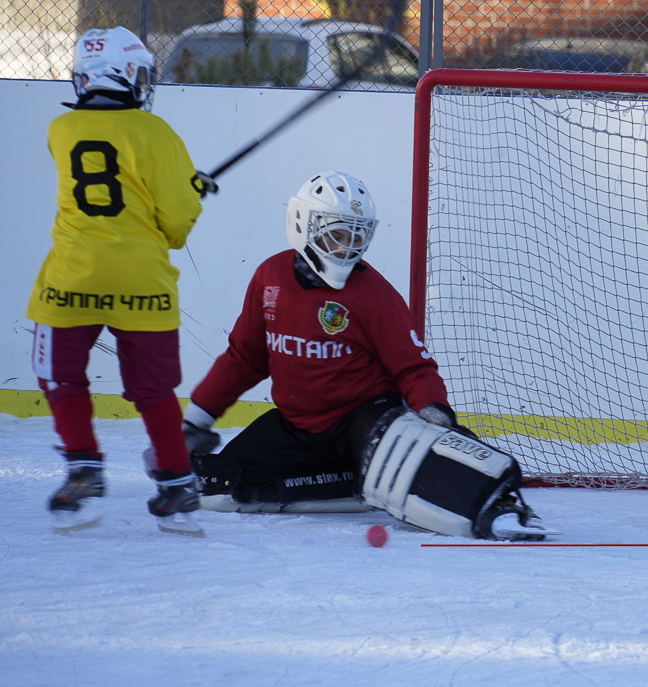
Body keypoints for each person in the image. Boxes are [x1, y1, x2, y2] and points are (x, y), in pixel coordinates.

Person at [183, 171, 552, 540]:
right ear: (303, 223)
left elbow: (414, 366)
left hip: (363, 420)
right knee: (216, 485)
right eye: (338, 234)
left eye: (356, 236)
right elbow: (244, 358)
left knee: (412, 450)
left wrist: (432, 408)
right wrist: (196, 419)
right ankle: (360, 481)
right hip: (298, 425)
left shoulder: (377, 297)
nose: (347, 247)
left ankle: (499, 508)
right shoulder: (269, 278)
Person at [29, 26, 215, 536]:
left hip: (73, 277)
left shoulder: (59, 130)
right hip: (144, 284)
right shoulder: (159, 134)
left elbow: (110, 170)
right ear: (128, 73)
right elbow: (174, 225)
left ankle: (83, 471)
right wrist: (190, 188)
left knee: (59, 373)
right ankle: (178, 489)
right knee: (154, 391)